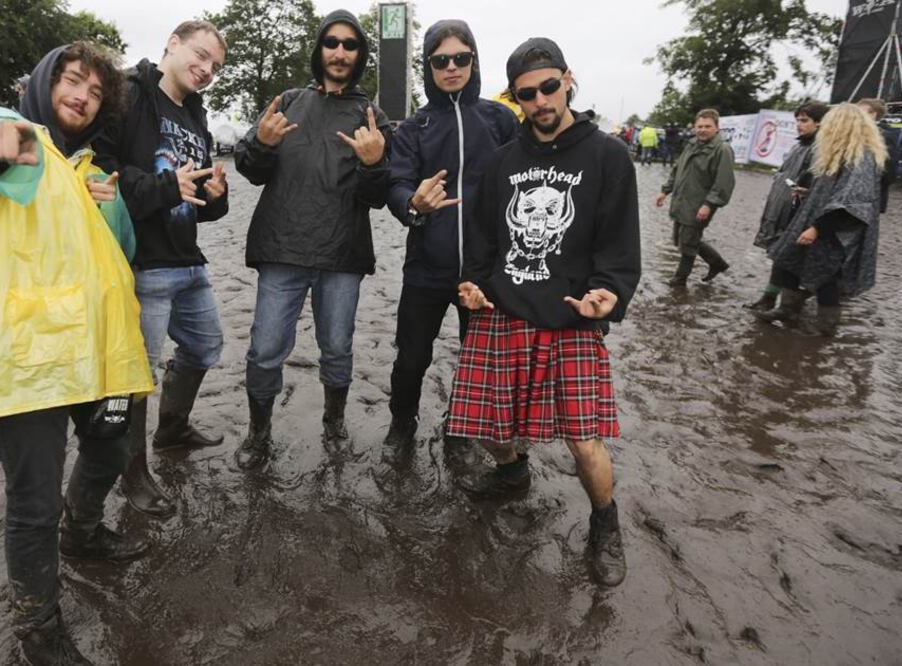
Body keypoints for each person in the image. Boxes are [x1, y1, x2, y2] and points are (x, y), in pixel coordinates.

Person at [0, 42, 154, 665]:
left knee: (110, 448)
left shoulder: (89, 169)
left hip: (104, 351)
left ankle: (84, 531)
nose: (83, 97)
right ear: (42, 83)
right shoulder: (19, 147)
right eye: (72, 81)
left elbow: (122, 252)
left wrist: (110, 203)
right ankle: (37, 626)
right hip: (31, 359)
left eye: (95, 93)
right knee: (32, 501)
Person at [446, 38, 640, 587]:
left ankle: (606, 523)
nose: (540, 101)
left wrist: (609, 292)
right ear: (516, 98)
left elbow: (620, 246)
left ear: (568, 79)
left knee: (584, 438)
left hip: (571, 316)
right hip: (504, 310)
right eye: (526, 94)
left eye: (549, 87)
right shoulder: (503, 162)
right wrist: (474, 284)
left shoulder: (608, 155)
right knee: (484, 420)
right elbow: (482, 240)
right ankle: (512, 473)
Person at [232, 9, 391, 469]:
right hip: (280, 249)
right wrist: (261, 143)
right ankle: (258, 432)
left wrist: (374, 163)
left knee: (338, 348)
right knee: (264, 350)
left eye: (350, 45)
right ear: (319, 49)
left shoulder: (371, 115)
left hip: (342, 254)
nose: (339, 52)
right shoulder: (285, 102)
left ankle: (333, 421)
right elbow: (250, 170)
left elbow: (378, 197)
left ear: (360, 55)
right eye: (331, 43)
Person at [95, 21, 229, 518]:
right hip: (142, 263)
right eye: (199, 56)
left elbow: (198, 197)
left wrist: (216, 197)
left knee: (204, 346)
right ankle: (132, 471)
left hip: (187, 257)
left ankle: (172, 428)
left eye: (215, 66)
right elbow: (101, 171)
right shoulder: (128, 93)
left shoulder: (196, 115)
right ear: (172, 44)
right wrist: (167, 187)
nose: (206, 70)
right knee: (136, 374)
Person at [381, 20, 518, 467]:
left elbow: (527, 176)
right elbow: (395, 185)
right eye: (441, 61)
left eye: (462, 58)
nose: (452, 67)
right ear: (429, 67)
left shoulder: (499, 119)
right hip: (426, 266)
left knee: (477, 361)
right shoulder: (414, 127)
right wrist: (413, 204)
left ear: (474, 61)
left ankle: (460, 426)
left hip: (483, 271)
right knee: (411, 358)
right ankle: (402, 423)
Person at [757, 103, 886, 336]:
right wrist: (810, 194)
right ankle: (787, 309)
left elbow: (852, 201)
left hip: (835, 229)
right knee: (788, 259)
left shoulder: (860, 157)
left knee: (826, 275)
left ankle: (826, 327)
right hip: (815, 219)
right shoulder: (839, 154)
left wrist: (817, 228)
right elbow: (833, 189)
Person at [745, 101, 829, 311]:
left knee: (792, 260)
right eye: (797, 120)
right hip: (783, 211)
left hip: (800, 215)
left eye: (804, 120)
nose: (799, 125)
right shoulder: (799, 145)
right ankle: (770, 298)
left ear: (819, 123)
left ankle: (791, 306)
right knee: (780, 257)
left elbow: (820, 187)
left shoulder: (820, 149)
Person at [655, 108, 735, 286]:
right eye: (699, 126)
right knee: (681, 239)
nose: (702, 130)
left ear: (717, 128)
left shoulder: (722, 150)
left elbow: (723, 183)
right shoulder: (691, 144)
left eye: (707, 126)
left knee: (688, 241)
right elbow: (678, 169)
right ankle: (717, 263)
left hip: (699, 204)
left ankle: (680, 278)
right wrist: (665, 191)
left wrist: (709, 204)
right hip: (682, 201)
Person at [856, 97, 900, 214]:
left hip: (871, 192)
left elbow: (889, 168)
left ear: (873, 114)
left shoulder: (885, 136)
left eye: (861, 112)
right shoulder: (854, 133)